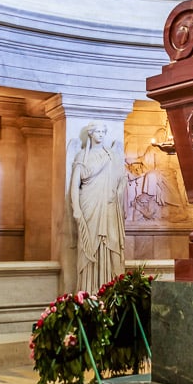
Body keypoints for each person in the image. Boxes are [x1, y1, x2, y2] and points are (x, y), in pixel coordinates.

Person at [69, 121, 126, 293]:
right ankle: (89, 290)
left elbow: (122, 178)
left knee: (110, 242)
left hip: (108, 205)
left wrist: (117, 193)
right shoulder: (82, 156)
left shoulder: (111, 155)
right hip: (89, 203)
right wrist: (76, 209)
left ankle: (109, 289)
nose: (101, 134)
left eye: (103, 131)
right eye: (97, 131)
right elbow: (74, 185)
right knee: (89, 244)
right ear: (91, 134)